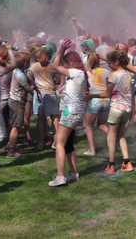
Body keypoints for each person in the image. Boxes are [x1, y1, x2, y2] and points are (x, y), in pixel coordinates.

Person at [87, 50, 134, 174]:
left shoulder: (114, 75)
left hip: (116, 108)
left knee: (112, 137)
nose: (108, 65)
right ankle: (127, 162)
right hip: (127, 109)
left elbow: (107, 94)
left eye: (110, 63)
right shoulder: (128, 74)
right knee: (121, 136)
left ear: (116, 62)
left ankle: (111, 165)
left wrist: (93, 95)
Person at [48, 39, 87, 186]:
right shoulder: (80, 74)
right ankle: (73, 173)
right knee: (68, 144)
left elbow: (55, 66)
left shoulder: (76, 73)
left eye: (66, 63)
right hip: (74, 111)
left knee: (59, 142)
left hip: (70, 112)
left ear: (70, 63)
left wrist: (61, 50)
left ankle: (60, 176)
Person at [29, 45, 60, 149]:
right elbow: (58, 81)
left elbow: (30, 78)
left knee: (41, 119)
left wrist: (36, 85)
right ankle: (56, 142)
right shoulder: (52, 67)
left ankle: (40, 143)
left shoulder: (34, 66)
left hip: (39, 94)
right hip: (51, 93)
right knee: (55, 118)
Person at [7, 53, 36, 158]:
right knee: (16, 127)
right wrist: (33, 85)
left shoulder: (17, 71)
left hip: (14, 101)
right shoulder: (20, 75)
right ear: (25, 63)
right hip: (17, 103)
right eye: (28, 61)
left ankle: (11, 146)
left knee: (15, 126)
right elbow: (29, 89)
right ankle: (11, 152)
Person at [83, 53, 110, 156]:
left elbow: (86, 90)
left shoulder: (87, 73)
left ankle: (92, 150)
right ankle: (110, 135)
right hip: (106, 100)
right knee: (101, 124)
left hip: (95, 100)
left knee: (88, 125)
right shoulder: (106, 72)